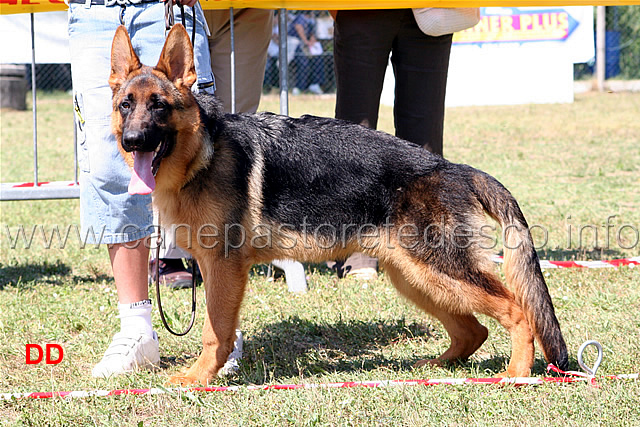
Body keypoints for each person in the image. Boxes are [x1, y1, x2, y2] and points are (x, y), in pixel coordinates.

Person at [68, 0, 215, 377]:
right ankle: (136, 330)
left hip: (167, 6)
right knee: (106, 163)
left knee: (203, 166)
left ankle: (220, 334)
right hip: (93, 10)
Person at [152, 8, 273, 288]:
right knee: (163, 122)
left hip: (244, 9)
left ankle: (224, 245)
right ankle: (172, 252)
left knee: (232, 133)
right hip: (169, 6)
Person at [331, 9, 453, 280]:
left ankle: (424, 240)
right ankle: (354, 247)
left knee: (425, 139)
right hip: (362, 9)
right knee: (355, 134)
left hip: (433, 10)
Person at [288, 11, 325, 95]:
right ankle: (299, 87)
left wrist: (311, 40)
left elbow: (312, 32)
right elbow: (298, 27)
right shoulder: (301, 17)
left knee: (318, 60)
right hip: (297, 45)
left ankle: (315, 84)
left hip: (308, 46)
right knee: (303, 63)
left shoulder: (312, 19)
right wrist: (306, 41)